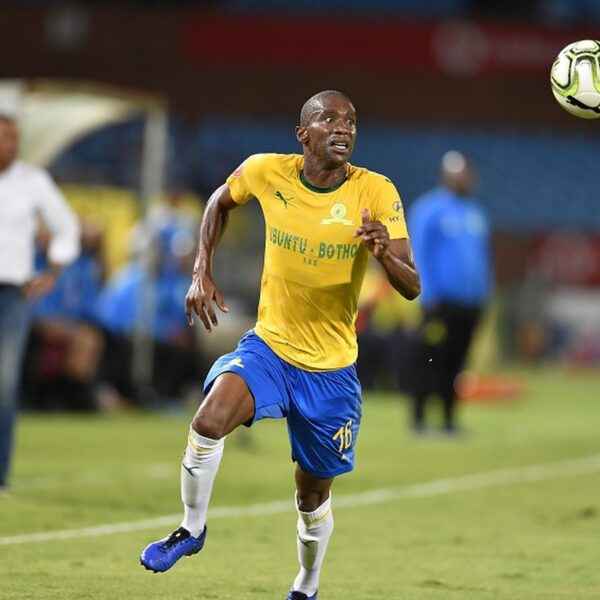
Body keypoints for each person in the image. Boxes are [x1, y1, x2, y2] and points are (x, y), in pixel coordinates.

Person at [139, 90, 420, 600]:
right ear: (303, 134)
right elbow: (218, 202)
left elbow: (412, 285)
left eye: (351, 121)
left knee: (310, 496)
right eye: (329, 119)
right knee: (208, 420)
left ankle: (307, 584)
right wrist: (201, 270)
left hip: (331, 370)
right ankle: (191, 528)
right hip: (270, 348)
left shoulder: (375, 191)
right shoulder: (267, 171)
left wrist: (384, 254)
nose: (343, 128)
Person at [0, 113, 80, 489]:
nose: (10, 144)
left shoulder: (33, 181)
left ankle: (0, 473)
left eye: (14, 137)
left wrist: (52, 271)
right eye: (4, 137)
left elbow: (67, 227)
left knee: (4, 382)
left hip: (13, 294)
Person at [407, 150, 492, 435]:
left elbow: (482, 258)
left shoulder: (476, 213)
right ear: (447, 176)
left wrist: (484, 294)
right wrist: (427, 294)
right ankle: (419, 419)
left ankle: (448, 420)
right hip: (439, 303)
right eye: (460, 174)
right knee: (429, 359)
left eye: (468, 174)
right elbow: (418, 253)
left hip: (470, 303)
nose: (465, 179)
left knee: (457, 363)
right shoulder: (428, 209)